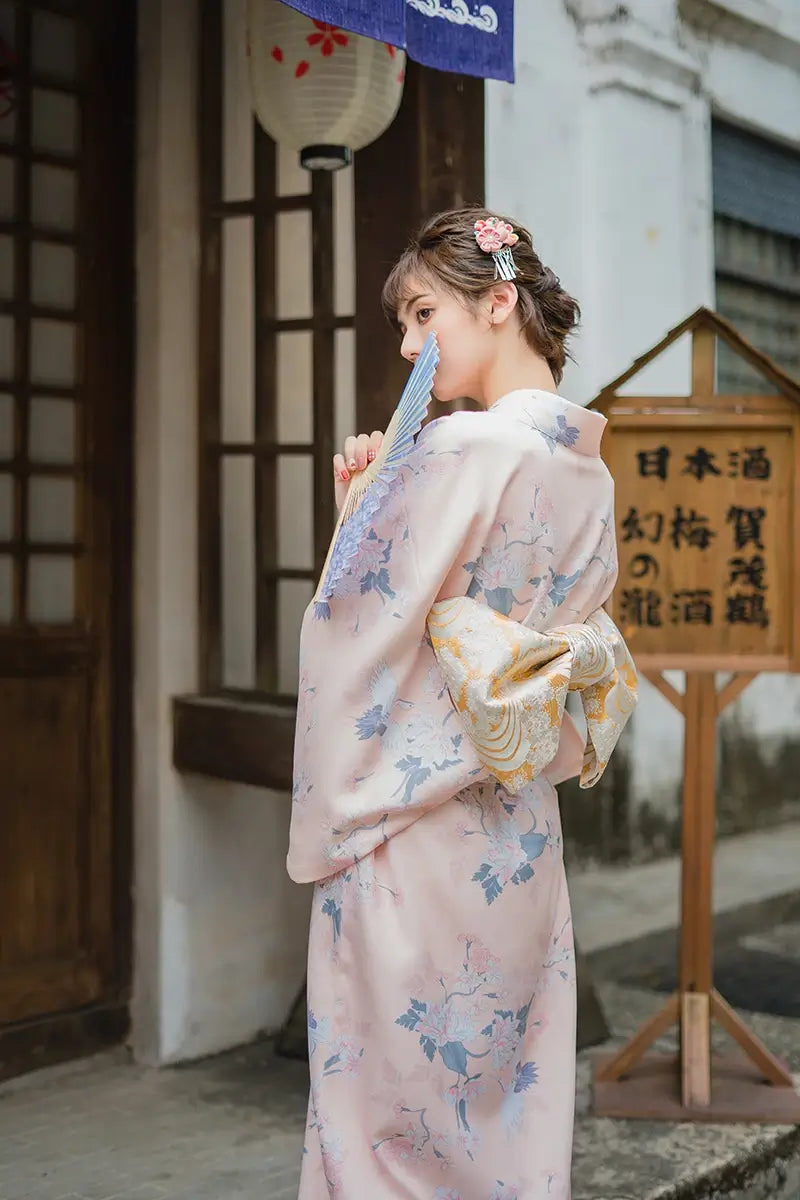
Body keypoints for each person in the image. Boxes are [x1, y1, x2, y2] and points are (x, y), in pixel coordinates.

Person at [287, 207, 637, 1199]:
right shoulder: (584, 468)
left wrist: (359, 506)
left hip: (415, 822)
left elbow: (356, 625)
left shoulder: (457, 449)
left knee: (386, 1126)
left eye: (420, 312)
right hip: (514, 827)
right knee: (501, 1110)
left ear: (496, 303)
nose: (406, 345)